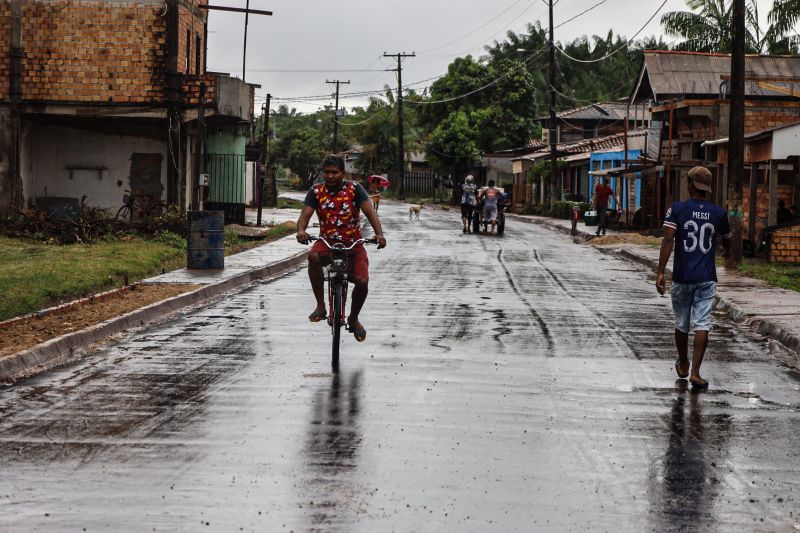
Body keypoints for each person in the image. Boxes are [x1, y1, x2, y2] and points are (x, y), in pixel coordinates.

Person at [656, 166, 732, 390]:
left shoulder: (677, 209)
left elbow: (668, 240)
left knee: (682, 323)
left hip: (682, 277)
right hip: (706, 277)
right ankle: (696, 373)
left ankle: (683, 364)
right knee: (702, 324)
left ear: (690, 185)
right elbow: (728, 237)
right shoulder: (718, 213)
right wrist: (727, 254)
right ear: (707, 188)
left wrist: (660, 271)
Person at [296, 155, 387, 342]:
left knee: (362, 281)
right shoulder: (316, 191)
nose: (330, 176)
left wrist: (379, 234)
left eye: (335, 172)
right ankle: (321, 306)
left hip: (353, 242)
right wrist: (301, 231)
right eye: (327, 172)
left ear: (343, 174)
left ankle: (353, 318)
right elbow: (305, 215)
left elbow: (370, 212)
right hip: (327, 241)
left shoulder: (355, 189)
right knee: (313, 257)